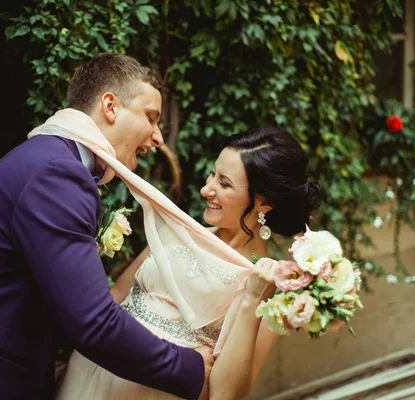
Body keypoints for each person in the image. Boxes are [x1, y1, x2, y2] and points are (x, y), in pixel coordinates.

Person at [0, 53, 214, 400]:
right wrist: (188, 368)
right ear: (111, 106)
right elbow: (93, 322)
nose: (158, 138)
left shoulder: (49, 159)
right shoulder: (58, 174)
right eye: (150, 117)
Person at [55, 127, 322, 399]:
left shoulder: (266, 285)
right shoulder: (177, 229)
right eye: (212, 175)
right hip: (94, 372)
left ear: (263, 203)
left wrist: (251, 299)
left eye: (225, 183)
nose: (206, 189)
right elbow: (114, 297)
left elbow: (225, 394)